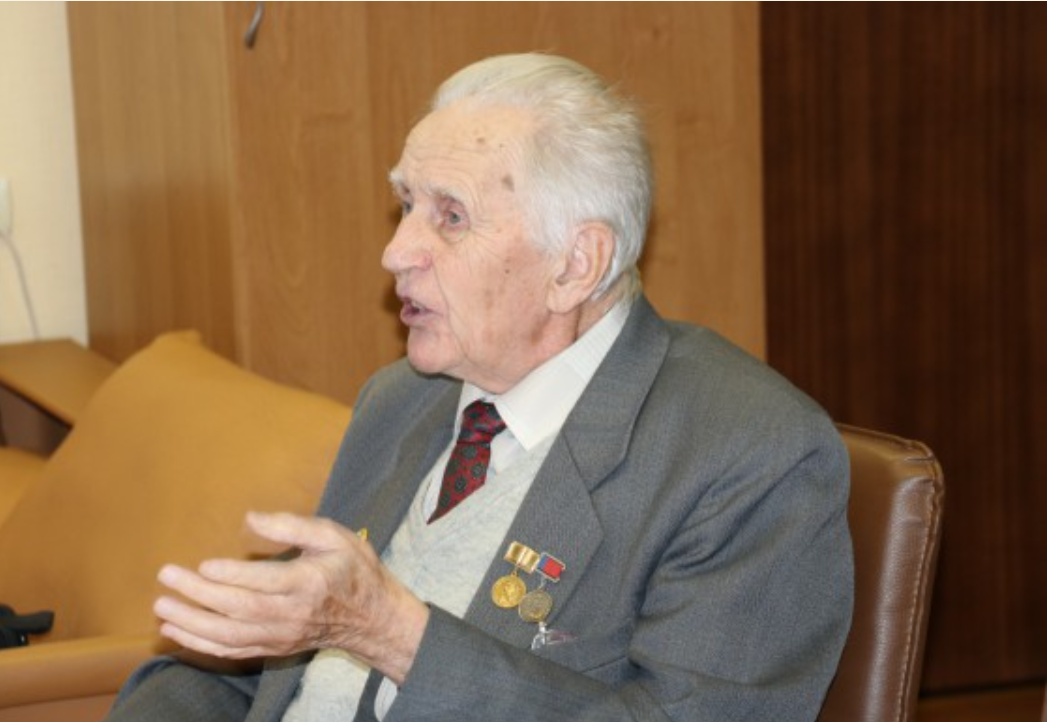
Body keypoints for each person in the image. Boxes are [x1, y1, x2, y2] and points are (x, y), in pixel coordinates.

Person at [107, 53, 853, 722]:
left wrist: (392, 634)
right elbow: (242, 671)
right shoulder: (404, 398)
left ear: (576, 266)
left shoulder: (746, 454)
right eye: (406, 204)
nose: (396, 251)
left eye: (451, 217)